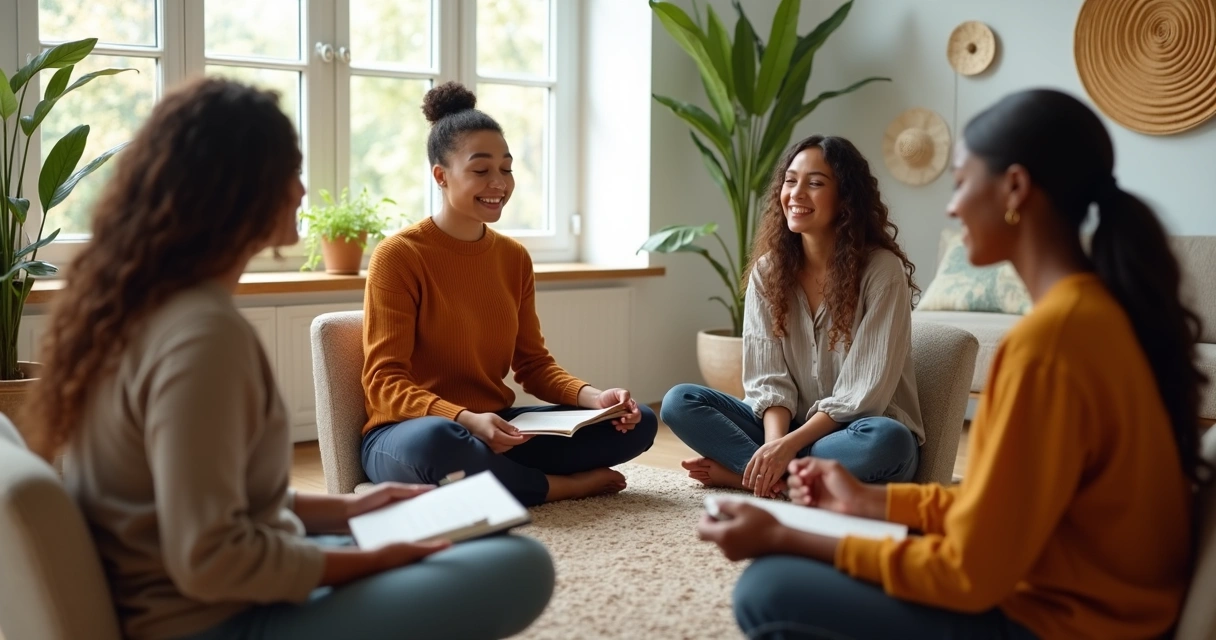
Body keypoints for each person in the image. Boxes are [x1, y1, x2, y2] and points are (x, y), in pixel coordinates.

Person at [25, 78, 554, 640]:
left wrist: (350, 513)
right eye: (291, 172)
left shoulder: (143, 306)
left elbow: (220, 501)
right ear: (238, 189)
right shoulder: (202, 337)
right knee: (520, 565)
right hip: (215, 618)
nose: (303, 191)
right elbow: (212, 560)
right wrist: (376, 560)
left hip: (210, 589)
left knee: (460, 536)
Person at [697, 89, 1205, 639]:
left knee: (766, 589)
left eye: (962, 181)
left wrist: (785, 537)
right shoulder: (1098, 315)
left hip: (1062, 623)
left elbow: (971, 574)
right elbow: (998, 510)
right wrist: (870, 499)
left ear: (1014, 188)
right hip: (1099, 605)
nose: (952, 205)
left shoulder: (1046, 346)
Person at [360, 81, 657, 506]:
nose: (498, 182)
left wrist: (595, 398)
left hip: (498, 427)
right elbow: (383, 382)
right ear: (441, 176)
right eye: (481, 170)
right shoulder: (399, 255)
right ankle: (554, 487)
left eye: (507, 168)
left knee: (640, 421)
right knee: (442, 444)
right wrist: (465, 419)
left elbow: (533, 365)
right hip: (414, 431)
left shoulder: (513, 257)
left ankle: (494, 479)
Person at [661, 135, 923, 498]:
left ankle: (750, 476)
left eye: (815, 183)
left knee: (889, 442)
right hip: (786, 429)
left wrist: (787, 449)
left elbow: (863, 394)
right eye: (790, 180)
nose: (796, 193)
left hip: (856, 433)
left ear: (846, 197)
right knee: (680, 401)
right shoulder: (769, 272)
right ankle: (786, 481)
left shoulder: (881, 271)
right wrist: (774, 445)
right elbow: (769, 381)